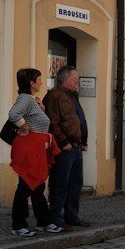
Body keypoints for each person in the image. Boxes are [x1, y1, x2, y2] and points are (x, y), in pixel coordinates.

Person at [8, 68, 63, 236]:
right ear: (32, 83)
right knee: (25, 186)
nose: (41, 82)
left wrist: (41, 108)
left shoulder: (32, 100)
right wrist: (23, 125)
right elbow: (14, 114)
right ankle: (18, 225)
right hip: (29, 150)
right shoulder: (26, 99)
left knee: (38, 186)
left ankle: (43, 221)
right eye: (39, 80)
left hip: (36, 149)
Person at [44, 65, 90, 230]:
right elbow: (52, 122)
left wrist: (83, 140)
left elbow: (78, 120)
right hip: (64, 148)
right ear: (65, 79)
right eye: (75, 79)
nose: (77, 82)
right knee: (60, 183)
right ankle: (56, 219)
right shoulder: (54, 96)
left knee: (76, 184)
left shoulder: (72, 96)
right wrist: (63, 142)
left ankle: (72, 216)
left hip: (76, 146)